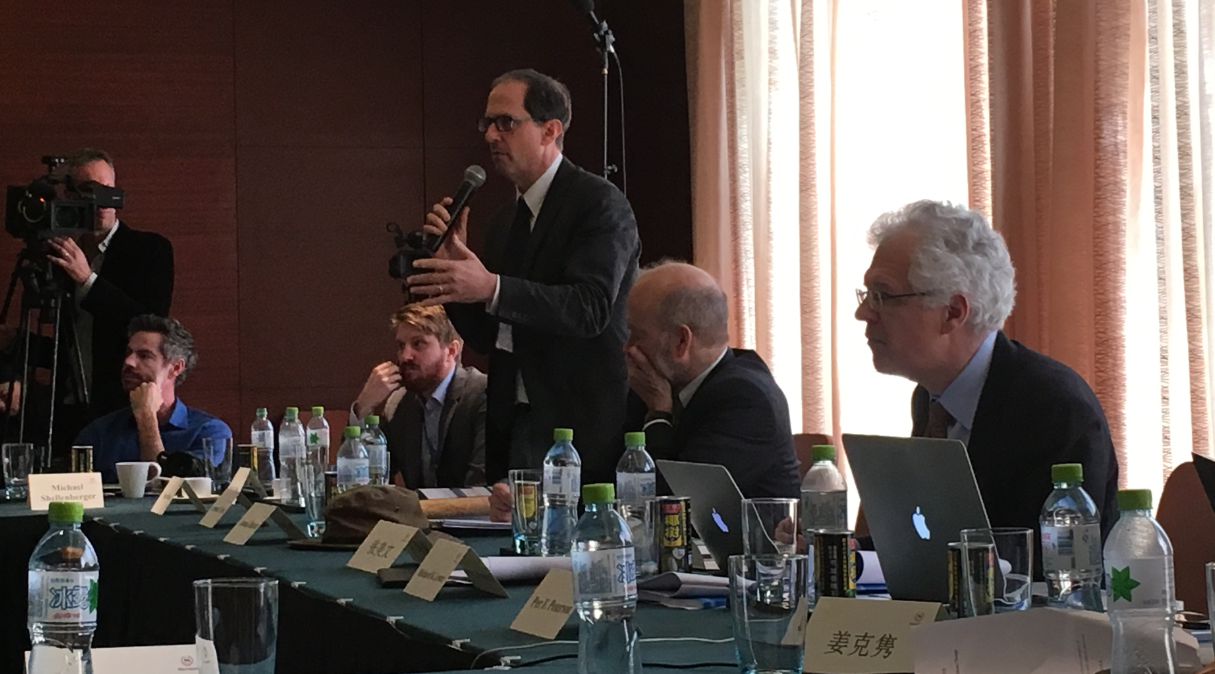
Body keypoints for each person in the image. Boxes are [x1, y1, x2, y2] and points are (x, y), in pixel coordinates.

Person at [408, 69, 640, 518]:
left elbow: (589, 308)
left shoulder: (598, 204)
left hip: (579, 421)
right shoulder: (503, 222)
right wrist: (455, 280)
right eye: (487, 123)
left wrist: (490, 286)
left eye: (506, 122)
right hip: (512, 420)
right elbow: (486, 336)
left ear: (549, 130)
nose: (491, 135)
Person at [854, 199, 1119, 541]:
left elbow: (1042, 562)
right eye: (867, 295)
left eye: (882, 295)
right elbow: (929, 543)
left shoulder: (1054, 409)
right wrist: (833, 550)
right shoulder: (931, 398)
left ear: (952, 312)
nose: (863, 313)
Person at [620, 261, 800, 499]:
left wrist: (658, 415)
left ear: (681, 341)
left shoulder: (747, 399)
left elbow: (673, 502)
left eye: (637, 335)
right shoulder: (660, 380)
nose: (628, 348)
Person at [46, 148, 175, 420]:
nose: (102, 201)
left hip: (123, 409)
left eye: (108, 190)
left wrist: (87, 280)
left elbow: (148, 325)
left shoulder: (150, 250)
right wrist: (16, 343)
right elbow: (69, 345)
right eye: (90, 190)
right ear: (69, 196)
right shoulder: (62, 256)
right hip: (69, 409)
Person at [74, 315, 230, 483]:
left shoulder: (209, 432)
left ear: (176, 368)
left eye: (144, 355)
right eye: (128, 353)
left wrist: (146, 418)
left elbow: (168, 490)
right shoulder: (99, 432)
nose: (128, 362)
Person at [350, 303, 487, 489]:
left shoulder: (481, 394)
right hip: (417, 508)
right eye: (401, 346)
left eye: (418, 344)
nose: (405, 356)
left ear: (451, 351)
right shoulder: (399, 403)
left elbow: (482, 483)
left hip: (470, 507)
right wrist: (363, 406)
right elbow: (363, 479)